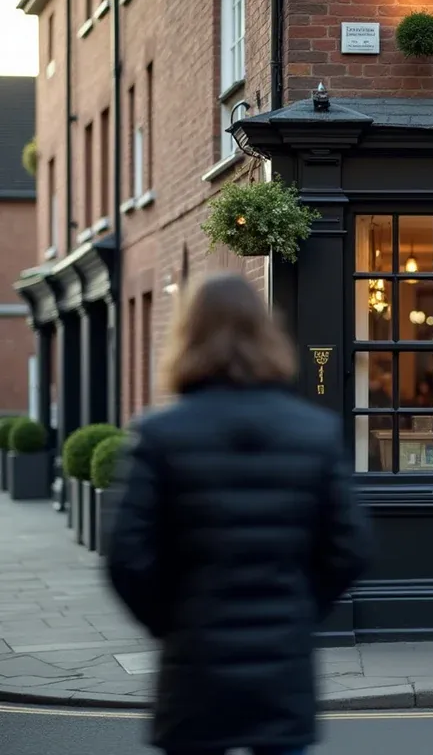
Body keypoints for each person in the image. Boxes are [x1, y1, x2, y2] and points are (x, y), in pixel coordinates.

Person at [105, 272, 371, 755]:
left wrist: (173, 621)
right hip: (281, 670)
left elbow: (125, 556)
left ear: (188, 336)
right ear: (265, 335)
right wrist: (300, 610)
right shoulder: (315, 432)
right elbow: (350, 547)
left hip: (194, 671)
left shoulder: (161, 434)